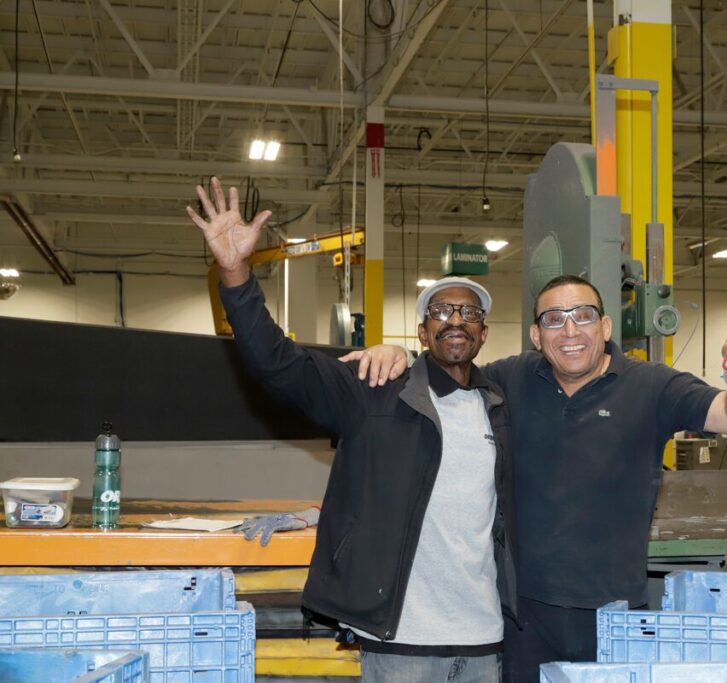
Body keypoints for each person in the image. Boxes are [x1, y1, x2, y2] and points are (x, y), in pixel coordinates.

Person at [346, 274, 727, 681]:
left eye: (582, 315)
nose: (569, 330)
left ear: (604, 326)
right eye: (554, 318)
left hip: (613, 613)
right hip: (523, 617)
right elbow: (445, 369)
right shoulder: (509, 378)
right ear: (536, 335)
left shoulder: (652, 385)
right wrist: (394, 355)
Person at [186, 177, 516, 683]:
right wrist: (235, 273)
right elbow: (278, 365)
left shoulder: (499, 405)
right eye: (441, 311)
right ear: (423, 331)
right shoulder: (375, 389)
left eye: (469, 312)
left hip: (484, 640)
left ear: (483, 332)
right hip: (399, 639)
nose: (456, 319)